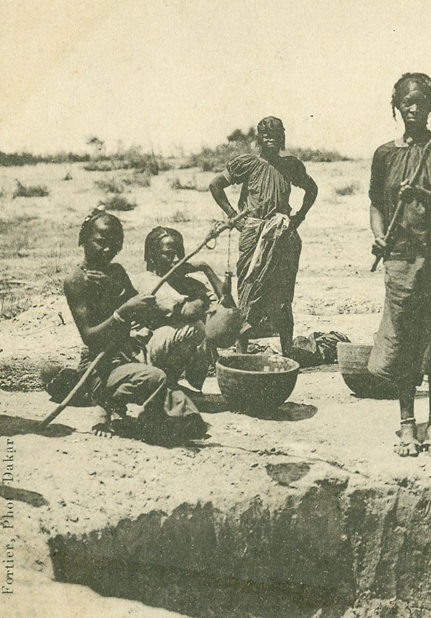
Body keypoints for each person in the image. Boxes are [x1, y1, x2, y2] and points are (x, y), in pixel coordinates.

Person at [368, 72, 431, 458]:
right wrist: (378, 234)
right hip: (400, 256)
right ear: (396, 106)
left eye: (422, 102)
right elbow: (377, 203)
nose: (414, 109)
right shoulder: (384, 154)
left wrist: (422, 192)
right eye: (407, 102)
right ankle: (408, 424)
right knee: (404, 337)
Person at [63, 208, 207, 442]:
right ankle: (108, 406)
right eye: (101, 242)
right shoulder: (75, 281)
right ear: (84, 239)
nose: (107, 250)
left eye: (114, 244)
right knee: (157, 378)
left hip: (129, 356)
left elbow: (145, 314)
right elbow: (89, 337)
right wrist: (123, 311)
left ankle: (141, 417)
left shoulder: (116, 273)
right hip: (100, 366)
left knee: (190, 417)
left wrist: (119, 291)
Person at [208, 116, 318, 356]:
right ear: (258, 137)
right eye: (264, 133)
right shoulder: (246, 163)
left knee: (283, 292)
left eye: (275, 133)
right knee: (249, 288)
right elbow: (215, 185)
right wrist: (234, 217)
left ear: (282, 137)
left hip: (283, 235)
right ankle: (241, 350)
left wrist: (299, 218)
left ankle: (286, 349)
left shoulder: (290, 165)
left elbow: (312, 189)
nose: (270, 137)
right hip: (254, 234)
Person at [134, 226, 228, 392]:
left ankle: (171, 383)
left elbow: (228, 309)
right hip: (141, 356)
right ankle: (161, 384)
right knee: (196, 327)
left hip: (161, 349)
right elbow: (188, 311)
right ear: (153, 256)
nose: (177, 259)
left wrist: (206, 269)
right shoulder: (148, 281)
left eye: (180, 253)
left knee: (215, 324)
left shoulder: (186, 283)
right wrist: (204, 302)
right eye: (169, 254)